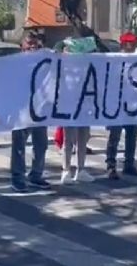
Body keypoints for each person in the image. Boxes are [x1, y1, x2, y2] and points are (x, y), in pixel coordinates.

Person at [10, 33, 51, 192]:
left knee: (41, 144)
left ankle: (36, 175)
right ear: (22, 46)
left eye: (35, 44)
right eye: (29, 44)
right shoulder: (14, 63)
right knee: (19, 146)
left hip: (40, 109)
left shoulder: (43, 62)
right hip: (21, 110)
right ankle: (17, 178)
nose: (33, 47)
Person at [104, 32, 137, 180]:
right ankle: (111, 165)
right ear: (123, 45)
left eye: (134, 43)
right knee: (115, 136)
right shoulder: (115, 60)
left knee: (132, 135)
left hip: (132, 104)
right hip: (117, 104)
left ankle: (129, 164)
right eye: (130, 43)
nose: (133, 45)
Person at [60, 39, 94, 184]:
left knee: (83, 139)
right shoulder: (64, 67)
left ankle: (81, 169)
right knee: (68, 140)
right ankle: (66, 170)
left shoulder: (87, 67)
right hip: (70, 106)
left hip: (85, 106)